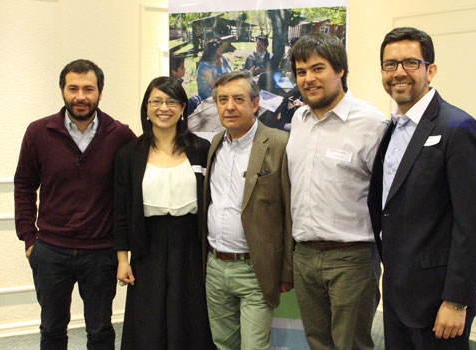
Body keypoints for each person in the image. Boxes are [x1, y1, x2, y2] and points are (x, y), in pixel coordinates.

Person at [367, 27, 476, 349]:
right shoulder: (392, 127)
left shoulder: (459, 129)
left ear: (430, 70)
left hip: (439, 298)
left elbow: (472, 224)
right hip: (397, 289)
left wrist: (457, 301)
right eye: (390, 65)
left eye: (410, 63)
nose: (398, 73)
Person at [14, 59, 136, 349]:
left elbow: (136, 185)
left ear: (100, 93)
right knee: (52, 329)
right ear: (62, 91)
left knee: (100, 330)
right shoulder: (38, 132)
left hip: (100, 253)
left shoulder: (120, 135)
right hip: (50, 252)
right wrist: (29, 239)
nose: (80, 96)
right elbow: (24, 186)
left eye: (88, 89)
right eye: (73, 88)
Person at [286, 33, 387, 350]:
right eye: (301, 72)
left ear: (340, 70)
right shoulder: (299, 119)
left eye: (318, 69)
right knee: (318, 342)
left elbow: (389, 196)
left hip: (351, 258)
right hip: (304, 256)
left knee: (351, 345)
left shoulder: (372, 123)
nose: (309, 79)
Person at [113, 77, 215, 349]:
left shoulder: (201, 149)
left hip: (191, 244)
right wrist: (122, 259)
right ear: (146, 108)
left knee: (190, 318)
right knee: (149, 320)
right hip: (148, 246)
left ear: (183, 107)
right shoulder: (129, 154)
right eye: (156, 101)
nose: (163, 108)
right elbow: (121, 212)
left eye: (171, 101)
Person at [202, 71, 293, 350]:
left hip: (255, 268)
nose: (229, 106)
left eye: (238, 99)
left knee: (254, 347)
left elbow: (290, 212)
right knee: (223, 344)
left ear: (254, 104)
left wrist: (287, 271)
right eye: (223, 100)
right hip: (216, 268)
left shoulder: (279, 143)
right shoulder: (214, 144)